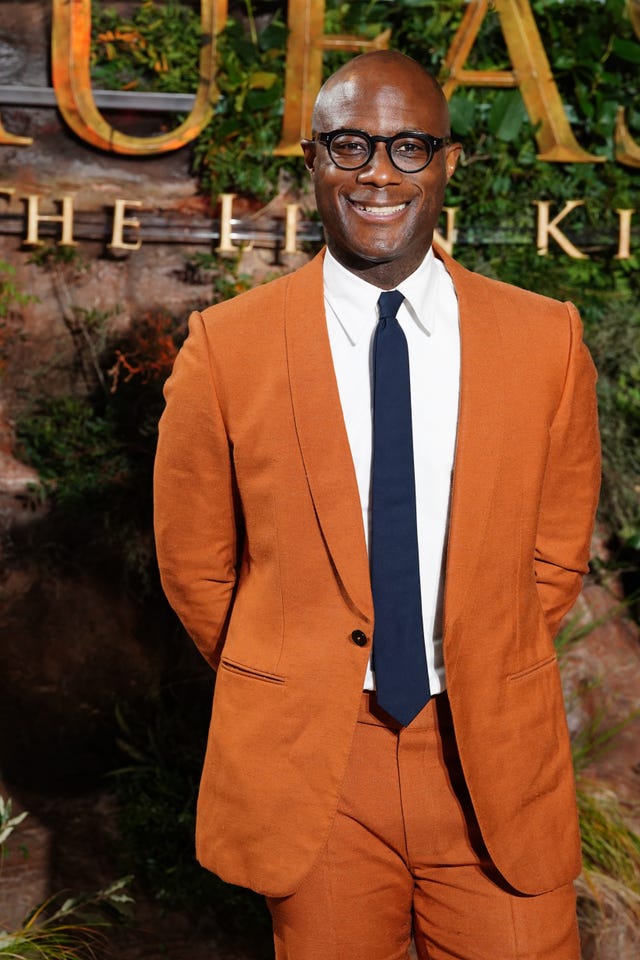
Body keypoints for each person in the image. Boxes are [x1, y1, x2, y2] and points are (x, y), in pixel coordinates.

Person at [153, 50, 601, 960]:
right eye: (350, 145)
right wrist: (294, 668)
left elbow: (555, 557)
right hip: (317, 766)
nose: (378, 174)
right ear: (313, 161)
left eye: (408, 147)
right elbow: (195, 566)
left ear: (446, 163)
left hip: (490, 763)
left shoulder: (544, 340)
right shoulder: (226, 349)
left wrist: (480, 656)